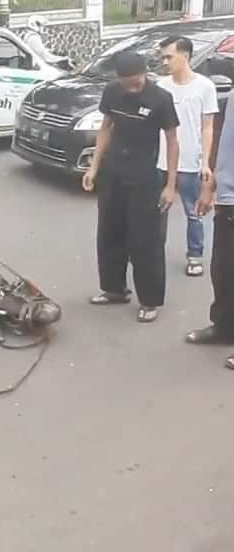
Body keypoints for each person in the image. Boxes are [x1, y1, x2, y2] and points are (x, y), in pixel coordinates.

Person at [82, 52, 180, 323]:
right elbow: (106, 128)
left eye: (136, 82)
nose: (133, 88)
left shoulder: (161, 99)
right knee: (109, 232)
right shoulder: (113, 91)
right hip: (113, 172)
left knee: (144, 240)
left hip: (144, 177)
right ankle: (114, 290)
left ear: (145, 74)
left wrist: (171, 185)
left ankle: (149, 300)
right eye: (127, 83)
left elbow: (172, 141)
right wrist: (94, 167)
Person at [157, 35, 218, 277]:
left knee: (194, 213)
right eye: (162, 57)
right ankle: (154, 252)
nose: (165, 62)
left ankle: (195, 255)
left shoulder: (205, 87)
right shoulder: (161, 87)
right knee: (157, 210)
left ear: (186, 56)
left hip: (190, 163)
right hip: (160, 161)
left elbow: (207, 127)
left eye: (169, 56)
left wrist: (206, 163)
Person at [185, 89, 234, 364]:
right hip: (228, 197)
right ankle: (225, 328)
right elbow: (222, 145)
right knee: (223, 271)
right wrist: (209, 185)